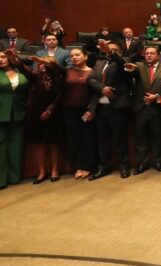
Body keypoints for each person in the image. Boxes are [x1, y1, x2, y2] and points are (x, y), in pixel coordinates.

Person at [122, 46, 161, 175]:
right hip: (140, 108)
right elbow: (129, 71)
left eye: (152, 53)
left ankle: (158, 161)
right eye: (147, 53)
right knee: (140, 137)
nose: (148, 55)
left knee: (157, 136)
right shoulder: (138, 67)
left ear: (158, 56)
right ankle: (142, 163)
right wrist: (128, 68)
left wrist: (157, 97)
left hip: (157, 108)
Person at [16, 54, 64, 184]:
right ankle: (41, 171)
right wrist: (14, 58)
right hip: (35, 113)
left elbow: (60, 96)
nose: (42, 65)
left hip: (53, 113)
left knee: (53, 143)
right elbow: (23, 68)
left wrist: (50, 110)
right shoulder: (35, 76)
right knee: (38, 143)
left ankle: (54, 170)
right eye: (41, 63)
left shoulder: (58, 77)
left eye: (46, 63)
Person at [89, 41, 133, 180]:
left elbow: (121, 63)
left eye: (113, 50)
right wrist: (102, 88)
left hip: (117, 107)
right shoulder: (98, 64)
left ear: (119, 52)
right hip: (101, 107)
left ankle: (124, 166)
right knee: (103, 140)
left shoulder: (124, 63)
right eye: (107, 50)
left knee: (120, 139)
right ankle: (104, 167)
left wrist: (110, 52)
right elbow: (90, 79)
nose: (108, 52)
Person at [60, 48, 97, 180]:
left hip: (85, 111)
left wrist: (91, 110)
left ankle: (88, 166)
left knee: (87, 138)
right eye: (72, 56)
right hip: (69, 110)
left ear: (85, 56)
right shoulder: (67, 71)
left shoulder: (93, 72)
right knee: (73, 139)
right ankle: (77, 166)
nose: (74, 57)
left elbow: (96, 94)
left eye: (77, 55)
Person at [0, 50, 30, 190]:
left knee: (15, 146)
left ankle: (14, 176)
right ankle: (1, 179)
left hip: (18, 113)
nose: (0, 59)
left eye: (3, 56)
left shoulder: (21, 71)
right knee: (1, 146)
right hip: (1, 114)